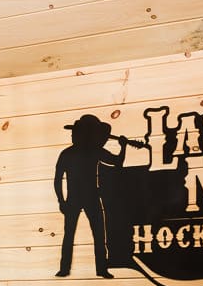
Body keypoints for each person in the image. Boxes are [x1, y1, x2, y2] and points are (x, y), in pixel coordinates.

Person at [55, 114, 145, 277]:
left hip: (86, 198)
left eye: (76, 132)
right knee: (77, 235)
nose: (73, 135)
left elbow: (116, 162)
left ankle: (98, 269)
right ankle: (70, 268)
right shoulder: (81, 152)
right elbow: (57, 179)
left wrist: (123, 147)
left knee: (95, 234)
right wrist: (61, 201)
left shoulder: (86, 152)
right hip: (80, 198)